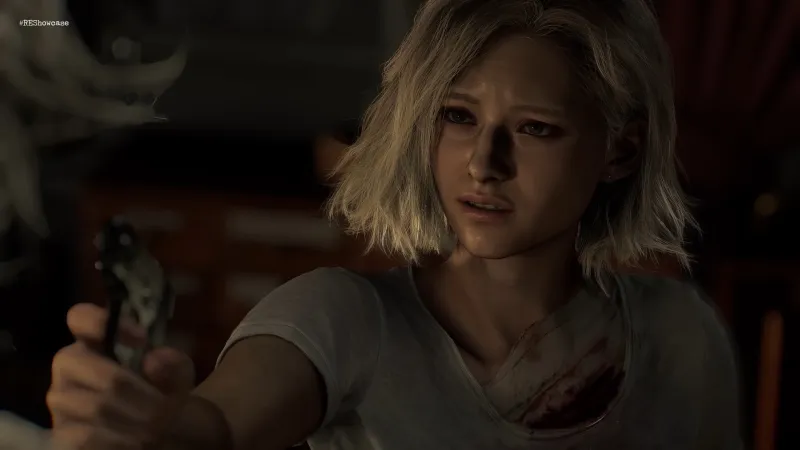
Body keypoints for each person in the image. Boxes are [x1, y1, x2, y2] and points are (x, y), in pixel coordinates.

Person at [47, 0, 744, 449]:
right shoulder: (345, 316)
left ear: (620, 150)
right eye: (457, 117)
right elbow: (219, 424)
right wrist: (151, 423)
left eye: (535, 128)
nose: (484, 165)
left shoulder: (681, 333)